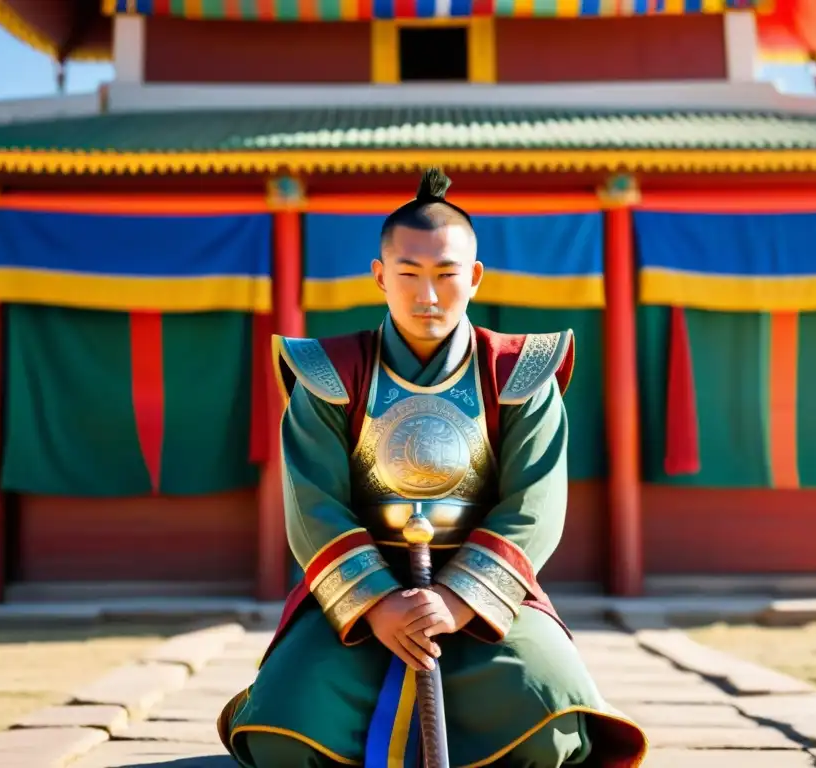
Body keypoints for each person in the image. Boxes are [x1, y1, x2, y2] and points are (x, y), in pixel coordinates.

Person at [218, 168, 648, 767]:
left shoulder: (520, 373)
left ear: (473, 277)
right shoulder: (330, 375)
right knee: (282, 734)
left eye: (446, 275)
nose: (427, 295)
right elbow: (313, 504)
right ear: (379, 277)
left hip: (482, 596)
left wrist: (454, 599)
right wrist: (381, 602)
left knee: (551, 725)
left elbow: (534, 506)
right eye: (409, 274)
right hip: (359, 599)